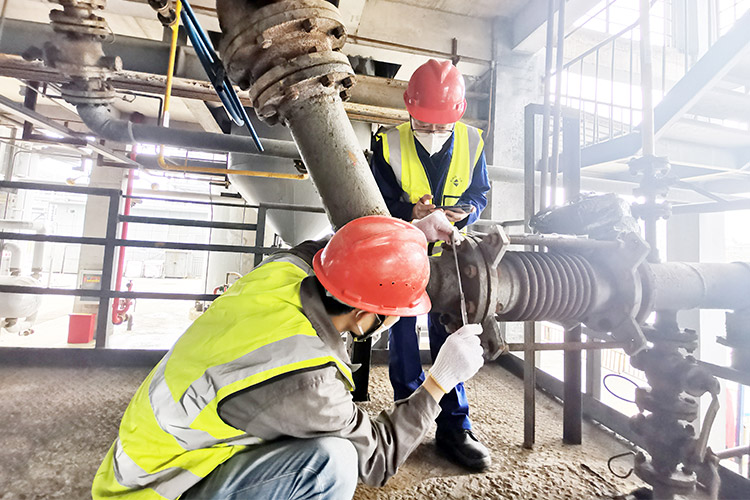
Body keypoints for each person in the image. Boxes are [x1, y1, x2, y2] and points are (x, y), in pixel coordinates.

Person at [91, 213, 485, 500]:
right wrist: (440, 381)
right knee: (335, 463)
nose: (399, 317)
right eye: (396, 311)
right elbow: (378, 457)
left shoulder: (281, 271)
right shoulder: (309, 379)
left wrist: (405, 236)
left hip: (143, 460)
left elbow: (334, 249)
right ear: (364, 315)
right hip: (156, 490)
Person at [370, 59, 492, 471]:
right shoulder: (387, 143)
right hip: (404, 254)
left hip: (451, 259)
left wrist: (466, 213)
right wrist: (410, 212)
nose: (433, 132)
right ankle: (407, 421)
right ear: (409, 109)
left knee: (449, 335)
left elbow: (479, 194)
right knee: (403, 337)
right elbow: (376, 201)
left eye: (442, 126)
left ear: (458, 114)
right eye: (424, 124)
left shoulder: (472, 142)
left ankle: (455, 427)